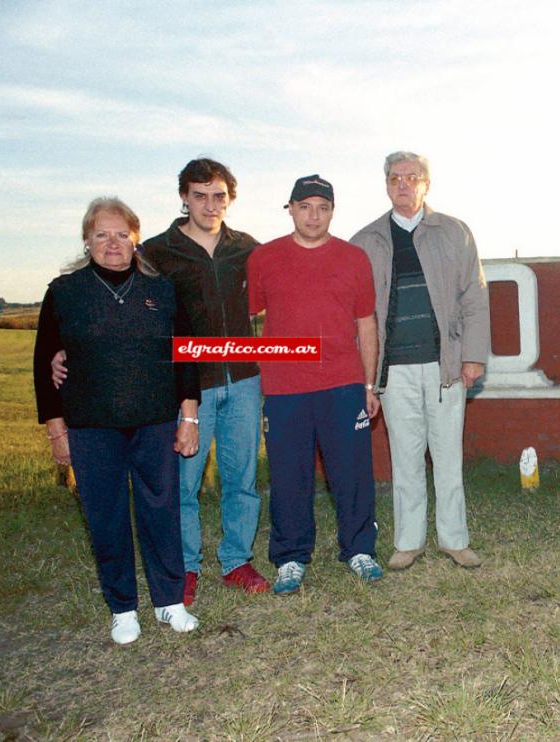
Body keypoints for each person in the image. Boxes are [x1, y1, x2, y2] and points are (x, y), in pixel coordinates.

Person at [54, 159, 268, 605]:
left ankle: (236, 561)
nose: (210, 204)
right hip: (187, 385)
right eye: (200, 195)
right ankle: (186, 566)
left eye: (219, 196)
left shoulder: (247, 247)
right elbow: (104, 292)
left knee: (242, 477)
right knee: (182, 482)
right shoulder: (156, 251)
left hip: (245, 377)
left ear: (230, 200)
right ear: (184, 198)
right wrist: (63, 349)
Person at [34, 197, 200, 645]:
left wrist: (189, 418)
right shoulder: (65, 292)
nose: (112, 243)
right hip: (91, 427)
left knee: (161, 512)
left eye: (121, 234)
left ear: (135, 239)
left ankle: (170, 602)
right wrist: (57, 431)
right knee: (106, 518)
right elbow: (42, 366)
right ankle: (123, 608)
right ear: (87, 240)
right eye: (102, 234)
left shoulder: (162, 290)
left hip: (154, 423)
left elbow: (186, 358)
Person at [350, 152, 491, 571]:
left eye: (411, 177)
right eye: (395, 178)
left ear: (426, 184)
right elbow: (357, 315)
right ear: (386, 185)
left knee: (448, 457)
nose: (403, 185)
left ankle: (454, 540)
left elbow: (475, 298)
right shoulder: (366, 240)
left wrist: (473, 356)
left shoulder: (454, 232)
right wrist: (366, 377)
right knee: (405, 457)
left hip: (445, 365)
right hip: (393, 369)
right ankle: (408, 542)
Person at [247, 174, 382, 593]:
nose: (313, 215)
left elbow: (366, 323)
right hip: (285, 387)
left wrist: (369, 384)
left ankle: (360, 548)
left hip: (343, 382)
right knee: (289, 474)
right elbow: (249, 321)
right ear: (290, 208)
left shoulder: (354, 257)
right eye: (305, 206)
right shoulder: (264, 258)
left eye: (322, 207)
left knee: (352, 472)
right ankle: (290, 556)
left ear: (332, 212)